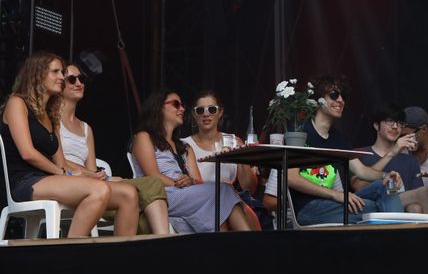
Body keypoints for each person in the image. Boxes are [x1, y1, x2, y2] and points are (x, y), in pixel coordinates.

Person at [0, 51, 138, 237]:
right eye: (55, 72)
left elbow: (61, 162)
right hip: (25, 181)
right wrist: (66, 174)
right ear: (38, 74)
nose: (61, 77)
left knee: (128, 194)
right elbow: (28, 153)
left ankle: (120, 260)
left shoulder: (51, 114)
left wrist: (88, 175)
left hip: (51, 179)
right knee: (99, 190)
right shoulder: (17, 103)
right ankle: (70, 255)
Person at [264, 74, 410, 226]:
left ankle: (394, 236)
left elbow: (362, 171)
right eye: (334, 95)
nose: (340, 100)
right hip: (307, 208)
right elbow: (291, 178)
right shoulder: (299, 130)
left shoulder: (338, 138)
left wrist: (386, 175)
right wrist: (338, 195)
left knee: (385, 185)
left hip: (332, 203)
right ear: (318, 101)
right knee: (375, 208)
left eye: (343, 96)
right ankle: (398, 239)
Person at [60, 63, 170, 234]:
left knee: (141, 202)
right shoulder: (52, 121)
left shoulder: (86, 128)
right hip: (66, 181)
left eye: (81, 79)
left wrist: (104, 177)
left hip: (90, 182)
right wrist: (102, 177)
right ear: (60, 84)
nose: (79, 83)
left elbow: (91, 169)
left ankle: (148, 248)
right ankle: (162, 241)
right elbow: (57, 160)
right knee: (151, 184)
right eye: (72, 79)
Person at [131, 89, 257, 232]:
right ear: (159, 108)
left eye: (182, 105)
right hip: (160, 195)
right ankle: (250, 245)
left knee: (218, 203)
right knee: (223, 191)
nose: (182, 109)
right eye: (176, 104)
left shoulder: (184, 147)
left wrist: (191, 181)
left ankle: (229, 249)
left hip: (184, 196)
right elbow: (152, 177)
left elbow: (198, 181)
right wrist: (178, 183)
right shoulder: (144, 137)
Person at [180, 90, 272, 230]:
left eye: (212, 109)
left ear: (220, 112)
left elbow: (249, 188)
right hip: (201, 203)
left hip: (231, 201)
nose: (206, 114)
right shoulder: (183, 145)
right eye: (200, 110)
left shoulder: (232, 141)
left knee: (246, 212)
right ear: (194, 114)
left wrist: (240, 155)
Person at [351, 103, 428, 213]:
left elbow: (417, 195)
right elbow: (358, 186)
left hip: (400, 210)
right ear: (376, 125)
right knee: (423, 193)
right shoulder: (360, 153)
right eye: (389, 121)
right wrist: (392, 152)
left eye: (399, 123)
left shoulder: (410, 160)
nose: (395, 126)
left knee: (415, 206)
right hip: (370, 207)